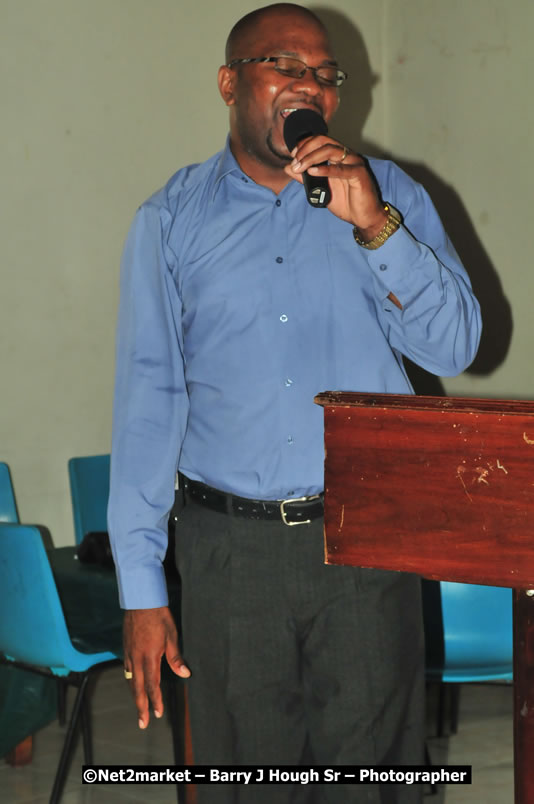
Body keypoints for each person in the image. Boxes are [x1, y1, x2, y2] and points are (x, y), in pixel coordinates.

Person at [108, 4, 481, 802]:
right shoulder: (171, 221)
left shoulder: (391, 197)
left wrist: (375, 224)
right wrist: (143, 588)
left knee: (372, 779)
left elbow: (456, 348)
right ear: (230, 83)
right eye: (285, 65)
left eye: (324, 74)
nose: (308, 84)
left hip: (362, 542)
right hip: (227, 552)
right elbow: (148, 405)